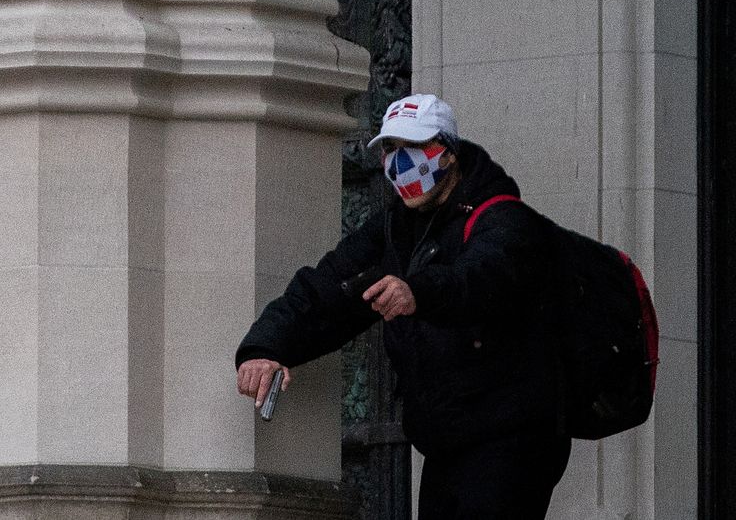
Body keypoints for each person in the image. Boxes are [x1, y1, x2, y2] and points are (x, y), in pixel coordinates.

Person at [235, 94, 571, 518]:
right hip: (446, 437)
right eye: (390, 150)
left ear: (447, 154)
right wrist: (266, 348)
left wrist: (419, 292)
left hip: (510, 434)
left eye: (412, 149)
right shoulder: (397, 227)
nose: (398, 162)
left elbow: (482, 278)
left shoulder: (502, 218)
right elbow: (327, 289)